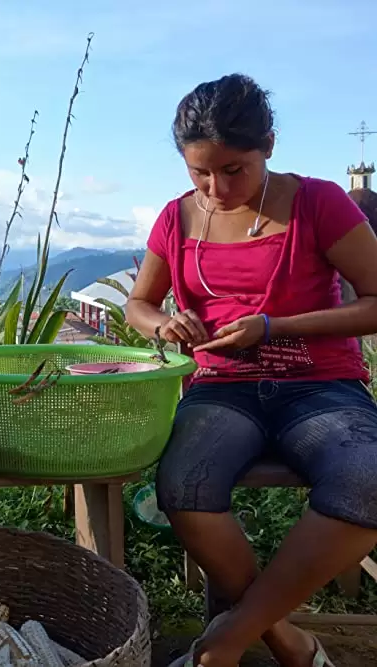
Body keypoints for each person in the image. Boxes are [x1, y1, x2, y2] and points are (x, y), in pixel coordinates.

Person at [127, 73, 377, 667]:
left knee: (368, 479)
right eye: (199, 172)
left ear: (268, 143)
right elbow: (139, 304)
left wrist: (277, 327)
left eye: (234, 169)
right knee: (184, 488)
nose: (216, 187)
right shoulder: (177, 217)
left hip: (321, 386)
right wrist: (164, 325)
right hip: (221, 388)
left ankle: (223, 642)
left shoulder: (319, 202)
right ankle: (285, 639)